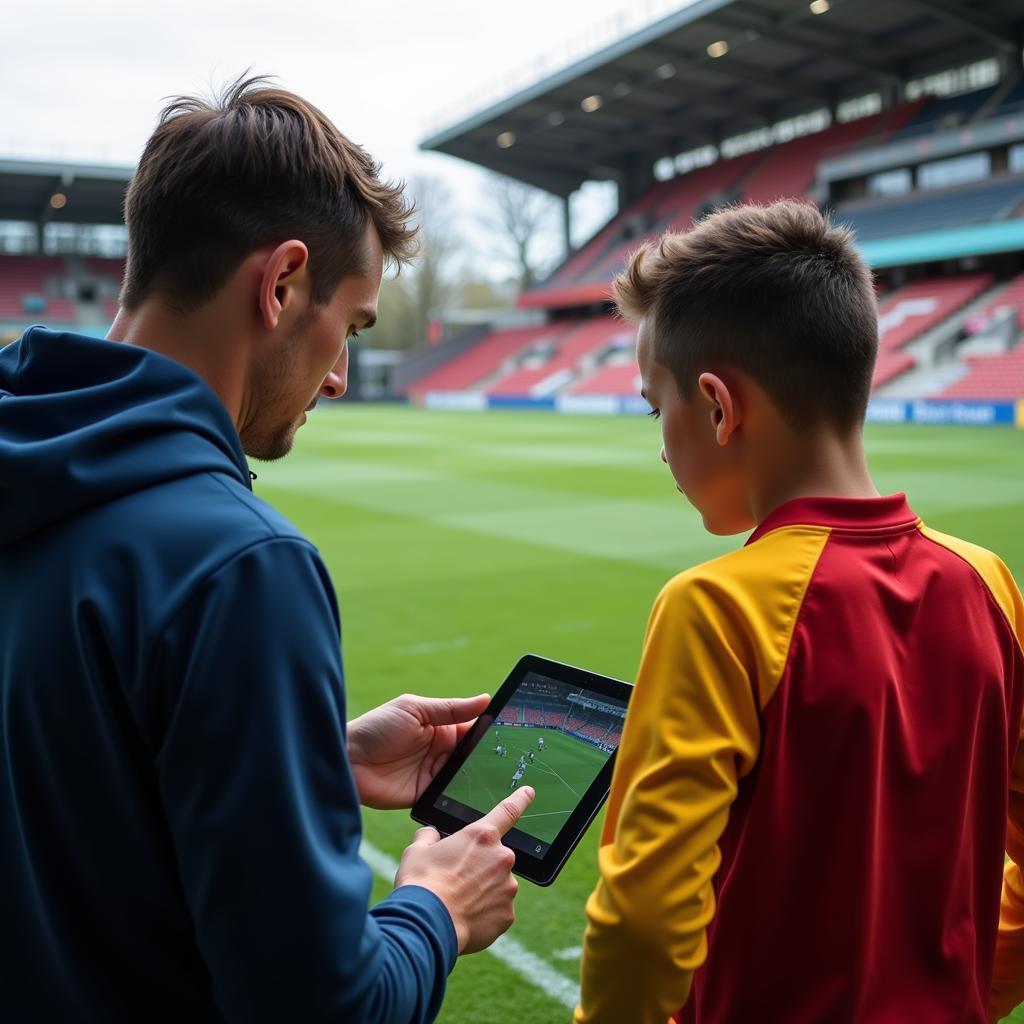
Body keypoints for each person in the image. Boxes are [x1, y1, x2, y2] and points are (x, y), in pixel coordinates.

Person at [0, 76, 535, 1024]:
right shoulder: (239, 566)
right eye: (352, 329)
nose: (336, 377)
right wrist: (435, 912)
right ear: (282, 283)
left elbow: (72, 780)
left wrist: (305, 759)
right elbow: (321, 1008)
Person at [575, 201, 1024, 1024]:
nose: (661, 444)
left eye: (654, 408)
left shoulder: (715, 608)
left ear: (717, 406)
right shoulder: (989, 584)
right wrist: (967, 989)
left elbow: (643, 920)